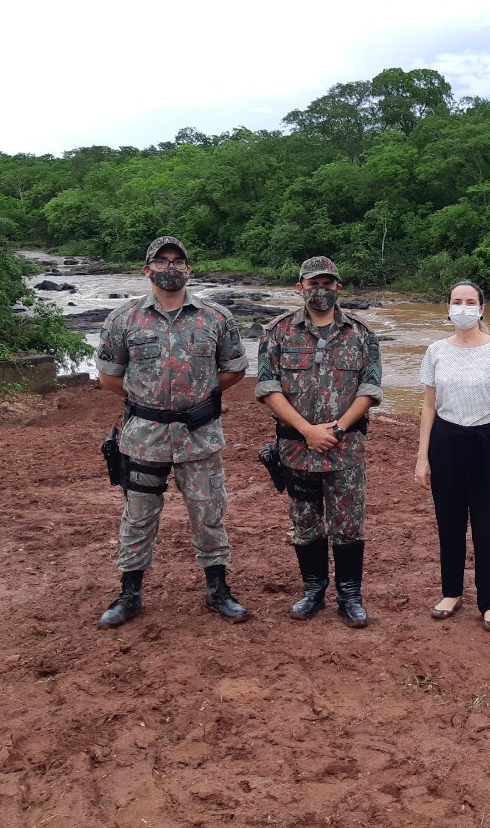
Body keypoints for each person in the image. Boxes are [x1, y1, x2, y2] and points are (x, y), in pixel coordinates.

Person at [95, 235, 251, 627]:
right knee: (138, 517)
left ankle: (218, 592)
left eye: (177, 261)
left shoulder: (217, 317)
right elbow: (109, 377)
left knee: (209, 515)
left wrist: (199, 398)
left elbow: (234, 369)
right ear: (147, 269)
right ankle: (129, 595)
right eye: (161, 261)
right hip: (144, 440)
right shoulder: (123, 319)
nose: (170, 267)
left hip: (199, 437)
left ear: (188, 269)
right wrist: (147, 406)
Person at [256, 256, 383, 628]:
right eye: (313, 284)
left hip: (346, 449)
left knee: (348, 524)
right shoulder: (278, 331)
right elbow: (267, 387)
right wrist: (307, 430)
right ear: (300, 287)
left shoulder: (361, 334)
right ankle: (313, 590)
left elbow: (370, 389)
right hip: (296, 449)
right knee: (305, 522)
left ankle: (350, 596)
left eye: (328, 283)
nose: (320, 290)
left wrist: (338, 429)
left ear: (338, 287)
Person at [414, 281, 490, 631]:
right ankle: (451, 593)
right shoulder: (435, 351)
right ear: (448, 307)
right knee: (449, 523)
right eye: (457, 301)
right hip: (445, 441)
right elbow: (429, 406)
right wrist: (422, 457)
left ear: (481, 308)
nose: (463, 307)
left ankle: (489, 603)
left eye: (470, 301)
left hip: (487, 440)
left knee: (489, 528)